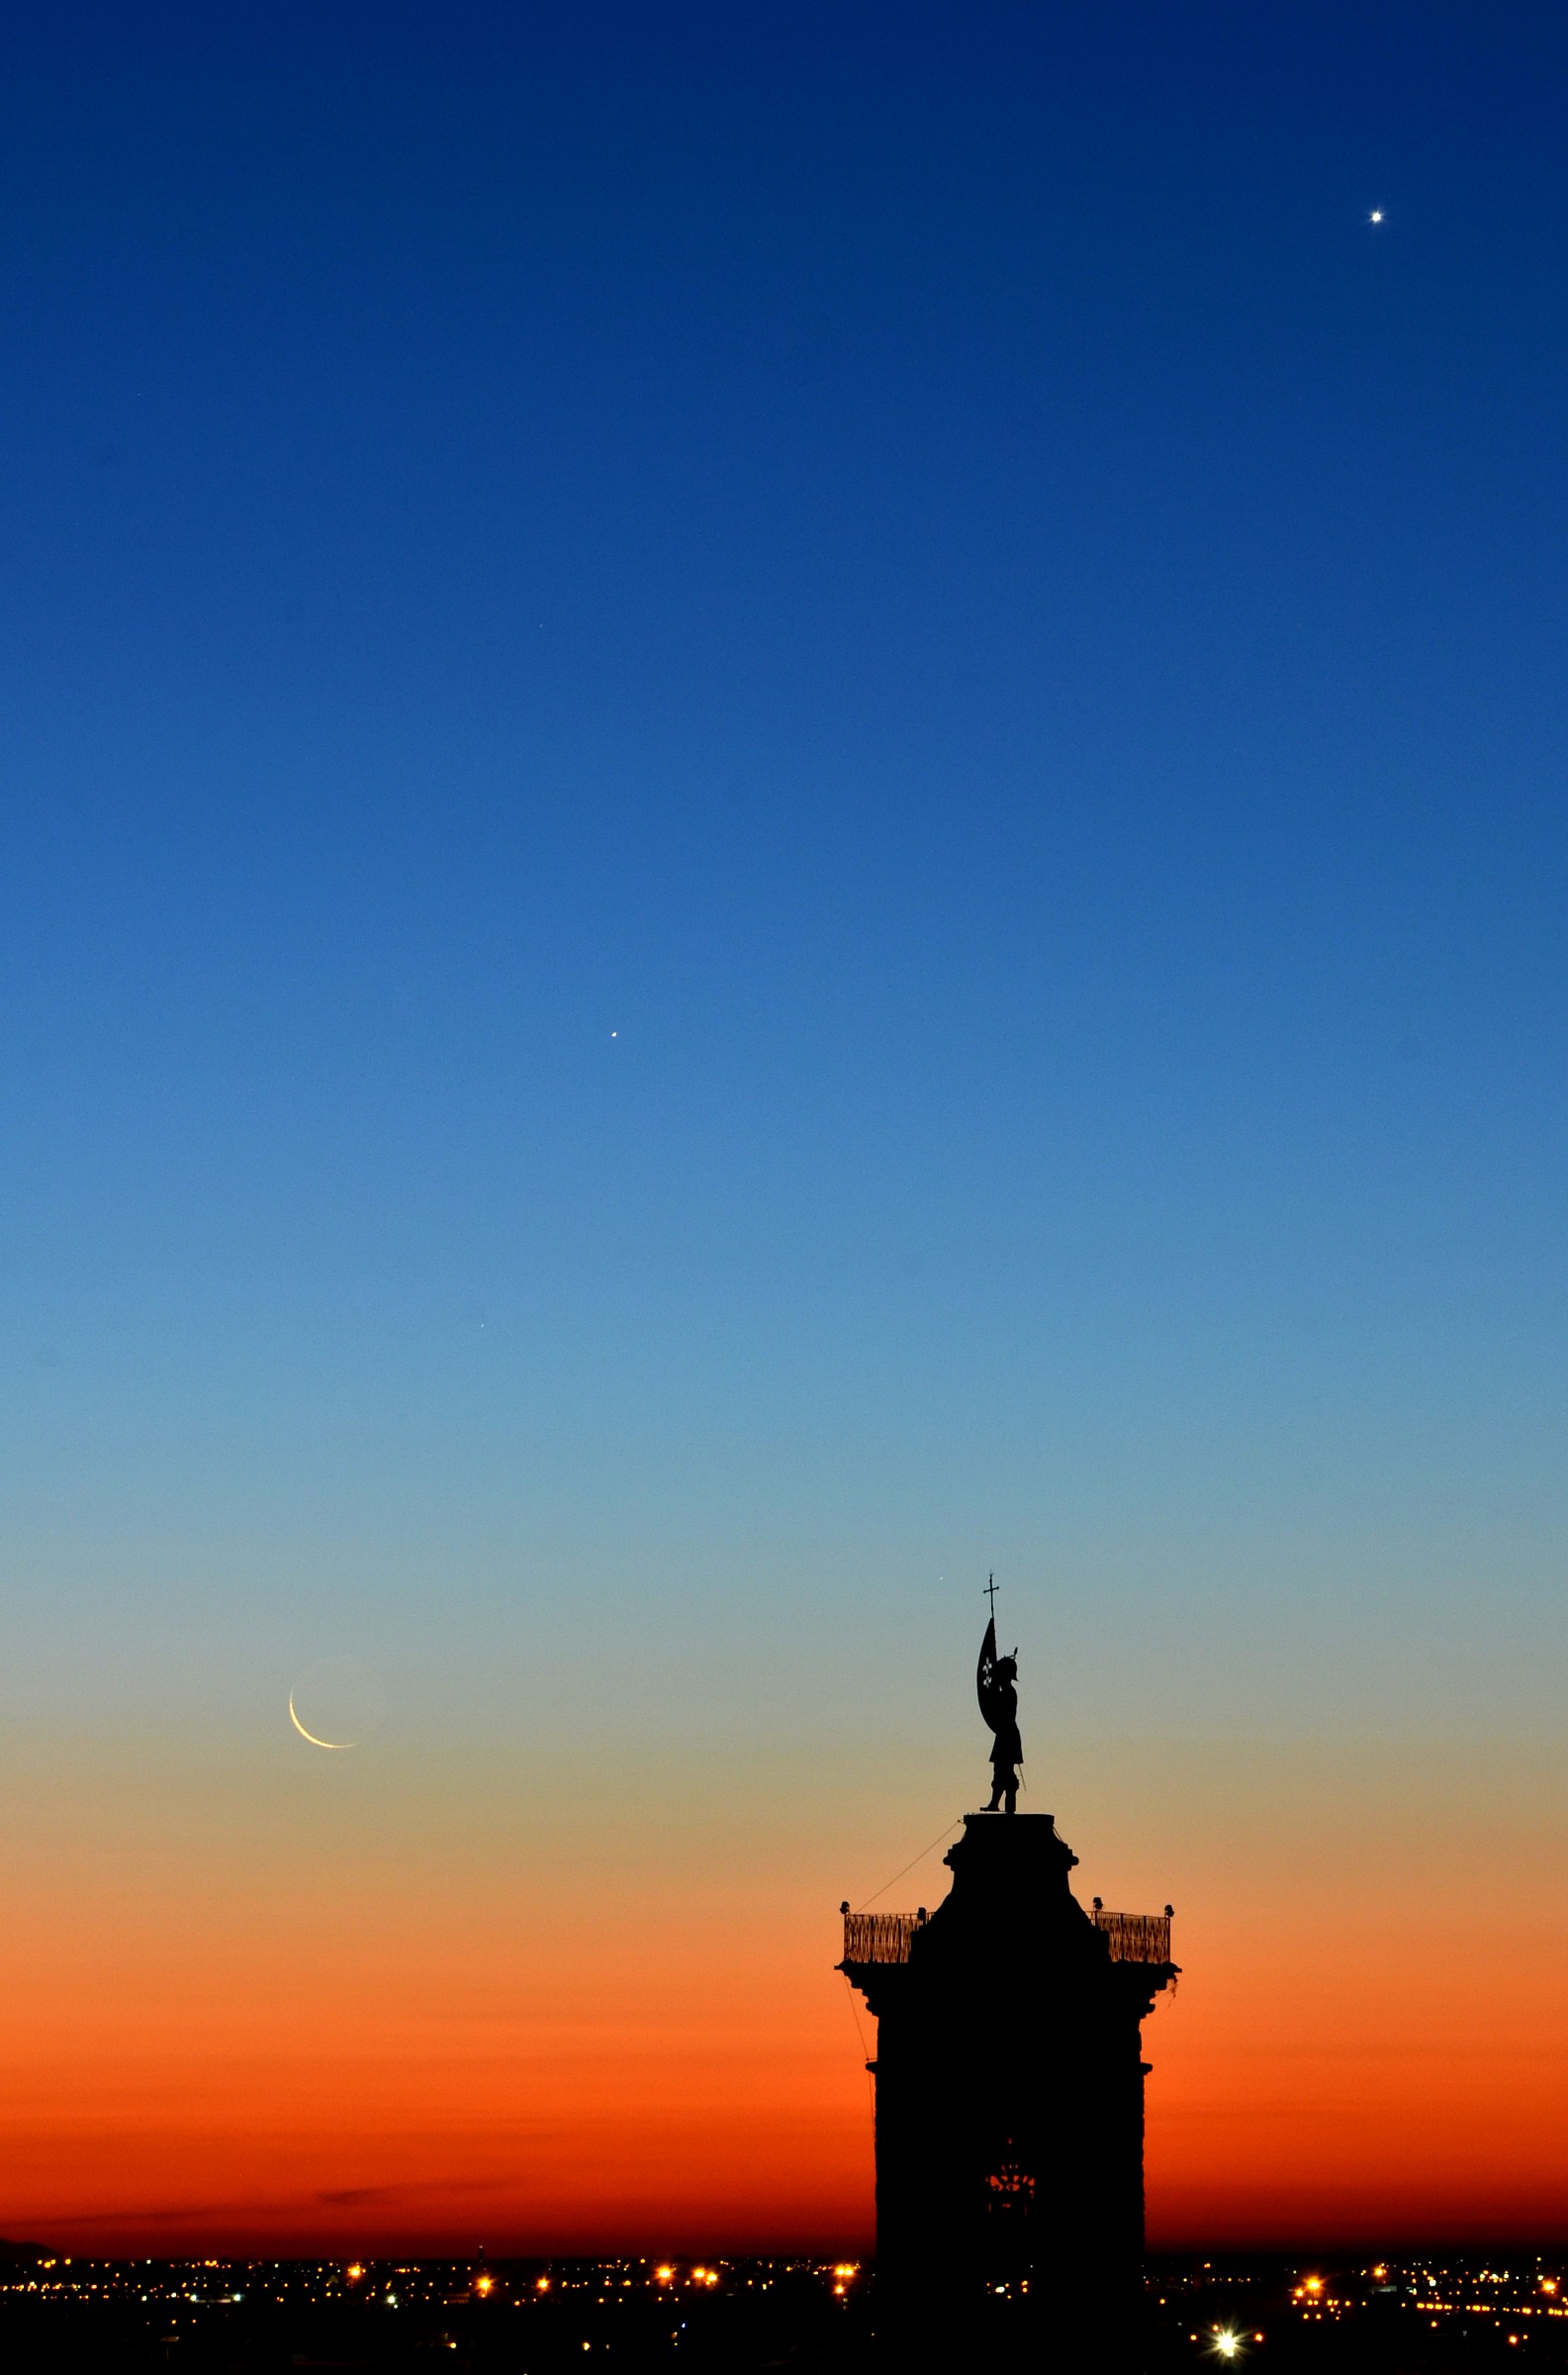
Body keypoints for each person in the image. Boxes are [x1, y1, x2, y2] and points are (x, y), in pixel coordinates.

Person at [976, 1616, 1023, 1814]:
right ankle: (995, 1803)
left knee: (1006, 1774)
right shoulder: (1005, 1692)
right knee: (1000, 1771)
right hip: (1005, 1735)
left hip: (1007, 1735)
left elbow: (1005, 1716)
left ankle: (1006, 1807)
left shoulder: (1009, 1693)